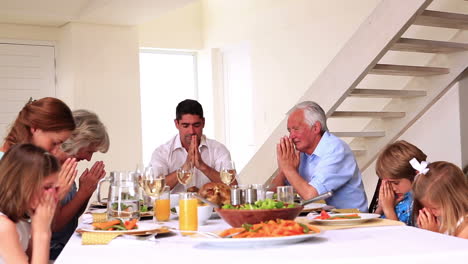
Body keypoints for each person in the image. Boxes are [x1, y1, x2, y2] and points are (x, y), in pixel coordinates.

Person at [271, 101, 368, 212]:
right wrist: (284, 170)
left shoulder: (335, 149)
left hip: (352, 222)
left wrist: (288, 168)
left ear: (316, 128)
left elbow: (311, 196)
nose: (291, 136)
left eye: (296, 129)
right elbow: (272, 194)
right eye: (289, 130)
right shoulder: (301, 153)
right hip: (319, 219)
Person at [49, 110, 109, 260]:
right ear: (77, 141)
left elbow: (72, 215)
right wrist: (82, 192)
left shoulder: (64, 165)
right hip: (53, 251)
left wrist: (86, 192)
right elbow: (55, 225)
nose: (89, 159)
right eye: (89, 151)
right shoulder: (47, 168)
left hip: (66, 243)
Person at [0, 97, 78, 201]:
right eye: (54, 143)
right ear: (35, 128)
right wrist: (56, 195)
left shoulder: (28, 164)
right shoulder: (6, 167)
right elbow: (22, 215)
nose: (55, 151)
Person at [150, 99, 235, 193]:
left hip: (211, 207)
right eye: (185, 126)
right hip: (172, 207)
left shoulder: (218, 149)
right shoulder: (162, 152)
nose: (192, 131)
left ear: (203, 122)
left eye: (196, 125)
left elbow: (233, 187)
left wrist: (203, 167)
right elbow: (154, 189)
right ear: (177, 124)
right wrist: (184, 168)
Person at [0, 144, 60, 263]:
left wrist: (38, 228)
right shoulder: (4, 226)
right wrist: (41, 232)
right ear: (23, 185)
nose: (53, 195)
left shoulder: (20, 218)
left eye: (55, 188)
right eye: (47, 187)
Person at [374, 140, 427, 225]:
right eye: (387, 183)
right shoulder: (396, 199)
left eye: (396, 183)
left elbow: (403, 236)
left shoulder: (420, 203)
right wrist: (380, 208)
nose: (392, 188)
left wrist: (388, 210)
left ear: (416, 176)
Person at [412, 161, 468, 239]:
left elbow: (452, 251)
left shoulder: (465, 228)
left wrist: (433, 235)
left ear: (454, 199)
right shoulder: (439, 219)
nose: (430, 212)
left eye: (434, 208)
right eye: (426, 207)